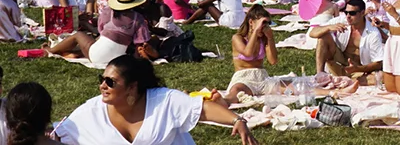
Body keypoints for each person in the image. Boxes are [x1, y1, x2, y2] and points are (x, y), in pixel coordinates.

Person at [55, 54, 258, 144]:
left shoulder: (164, 101)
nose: (102, 86)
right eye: (102, 79)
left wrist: (236, 120)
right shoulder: (91, 111)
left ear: (132, 87)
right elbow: (57, 135)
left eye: (110, 82)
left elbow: (202, 109)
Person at [45, 0, 153, 64]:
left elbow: (101, 31)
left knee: (78, 35)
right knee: (92, 44)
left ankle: (50, 50)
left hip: (97, 56)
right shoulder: (138, 19)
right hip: (117, 59)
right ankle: (72, 53)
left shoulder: (108, 11)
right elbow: (141, 42)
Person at [311, 0, 384, 81]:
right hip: (338, 65)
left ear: (362, 13)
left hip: (359, 71)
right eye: (346, 12)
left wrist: (357, 68)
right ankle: (320, 75)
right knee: (323, 37)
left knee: (382, 77)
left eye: (352, 13)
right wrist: (328, 27)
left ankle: (346, 81)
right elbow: (313, 33)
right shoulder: (342, 21)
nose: (348, 16)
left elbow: (378, 63)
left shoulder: (373, 33)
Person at [221, 5, 279, 105]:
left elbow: (273, 61)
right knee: (236, 92)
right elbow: (248, 53)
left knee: (293, 86)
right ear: (251, 22)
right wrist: (255, 32)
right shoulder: (238, 38)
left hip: (262, 77)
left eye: (267, 24)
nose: (264, 27)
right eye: (262, 24)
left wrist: (270, 38)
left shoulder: (263, 39)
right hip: (244, 78)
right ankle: (221, 102)